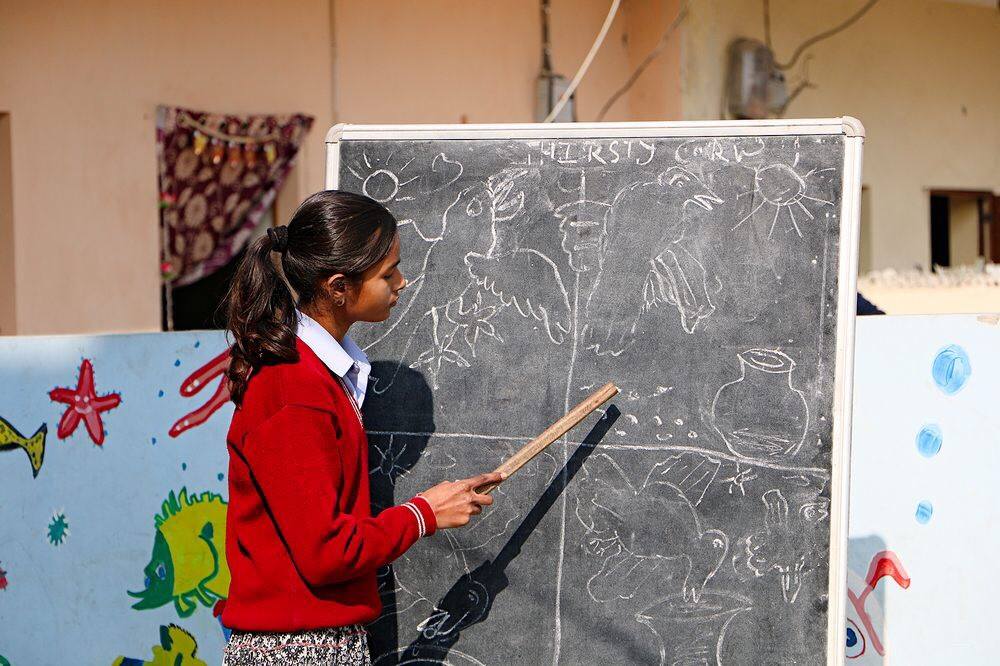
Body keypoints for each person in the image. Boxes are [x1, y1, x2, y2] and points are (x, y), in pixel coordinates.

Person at [220, 190, 502, 665]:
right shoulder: (295, 391)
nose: (401, 282)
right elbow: (325, 549)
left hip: (318, 639)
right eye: (386, 272)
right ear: (337, 286)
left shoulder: (318, 377)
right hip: (295, 648)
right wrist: (422, 514)